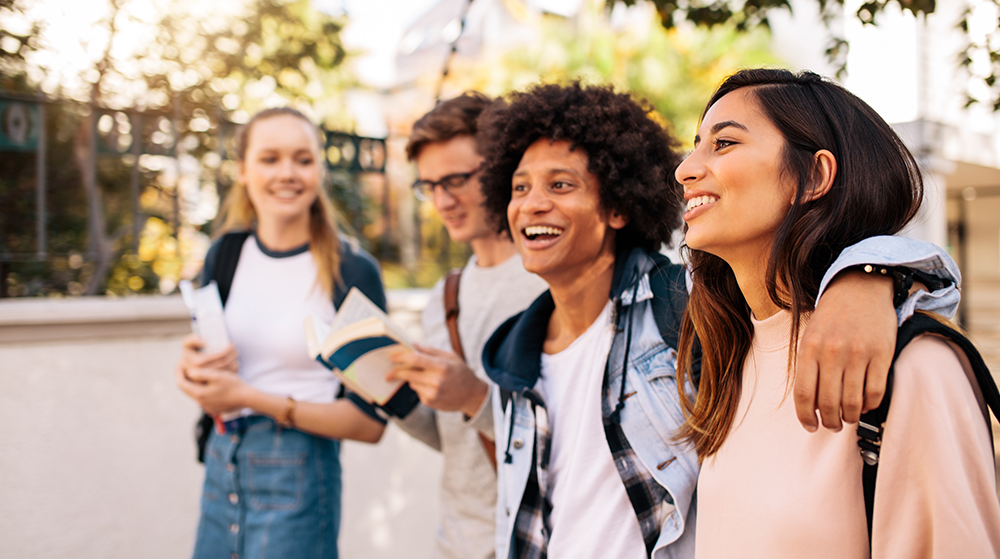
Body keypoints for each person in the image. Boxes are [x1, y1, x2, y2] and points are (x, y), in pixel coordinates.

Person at [475, 82, 962, 558]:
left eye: (561, 184)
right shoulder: (509, 356)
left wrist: (869, 275)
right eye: (519, 187)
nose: (685, 171)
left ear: (619, 206)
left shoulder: (682, 312)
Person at [675, 68, 1000, 557]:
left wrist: (874, 272)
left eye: (723, 144)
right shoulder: (725, 357)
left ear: (815, 176)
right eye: (696, 144)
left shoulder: (910, 364)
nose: (684, 168)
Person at [175, 107, 388, 559]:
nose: (287, 173)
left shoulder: (351, 271)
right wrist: (192, 375)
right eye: (270, 159)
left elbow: (369, 423)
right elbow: (209, 367)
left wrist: (248, 397)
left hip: (300, 472)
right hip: (222, 464)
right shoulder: (225, 255)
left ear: (319, 169)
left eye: (303, 159)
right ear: (243, 170)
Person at [380, 92, 548, 559]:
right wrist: (386, 393)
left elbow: (578, 436)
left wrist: (475, 396)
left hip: (533, 540)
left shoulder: (552, 281)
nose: (443, 200)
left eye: (456, 179)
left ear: (499, 168)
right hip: (457, 543)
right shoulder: (444, 296)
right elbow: (455, 443)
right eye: (429, 185)